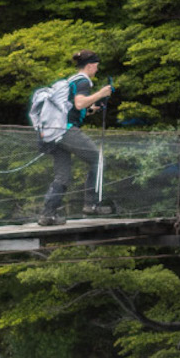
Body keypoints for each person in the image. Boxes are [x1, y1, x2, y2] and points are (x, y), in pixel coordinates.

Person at [38, 49, 113, 226]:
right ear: (89, 65)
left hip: (52, 132)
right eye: (96, 66)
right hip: (66, 131)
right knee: (98, 159)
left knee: (62, 176)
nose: (97, 69)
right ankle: (91, 204)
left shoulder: (70, 81)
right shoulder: (83, 81)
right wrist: (101, 94)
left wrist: (90, 109)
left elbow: (72, 109)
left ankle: (47, 214)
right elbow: (79, 103)